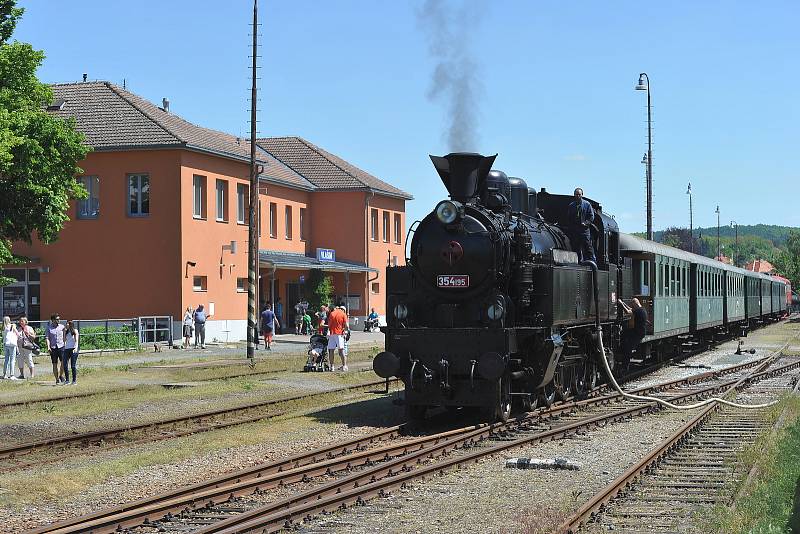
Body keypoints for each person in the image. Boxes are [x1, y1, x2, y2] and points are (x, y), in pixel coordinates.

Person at [567, 187, 596, 263]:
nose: (578, 196)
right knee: (576, 247)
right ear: (574, 195)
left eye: (579, 194)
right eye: (576, 194)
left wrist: (586, 223)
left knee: (588, 246)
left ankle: (592, 262)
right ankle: (579, 262)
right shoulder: (571, 205)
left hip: (584, 230)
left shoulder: (587, 204)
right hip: (575, 230)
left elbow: (591, 216)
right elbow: (569, 217)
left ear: (582, 195)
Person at [619, 298, 648, 368]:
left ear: (635, 303)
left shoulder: (638, 311)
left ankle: (625, 366)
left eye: (633, 305)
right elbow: (631, 309)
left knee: (628, 348)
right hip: (638, 331)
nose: (632, 306)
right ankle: (621, 346)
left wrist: (621, 304)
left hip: (638, 333)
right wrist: (623, 303)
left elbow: (628, 312)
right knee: (624, 332)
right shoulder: (642, 309)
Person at [45, 314, 66, 384]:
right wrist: (48, 346)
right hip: (53, 348)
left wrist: (65, 344)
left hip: (61, 346)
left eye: (59, 319)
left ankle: (61, 375)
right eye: (57, 319)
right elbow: (47, 338)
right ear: (53, 320)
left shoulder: (62, 327)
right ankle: (56, 379)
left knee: (63, 362)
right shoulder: (49, 328)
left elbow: (65, 336)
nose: (59, 320)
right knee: (54, 363)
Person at [327, 305, 349, 371]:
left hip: (332, 334)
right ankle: (344, 366)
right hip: (339, 334)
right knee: (341, 350)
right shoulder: (343, 314)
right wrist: (345, 331)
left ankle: (332, 366)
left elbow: (329, 325)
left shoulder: (332, 314)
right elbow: (347, 325)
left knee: (331, 350)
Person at [62, 320, 79, 384]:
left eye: (68, 324)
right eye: (66, 324)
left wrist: (76, 348)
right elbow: (64, 340)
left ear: (71, 325)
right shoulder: (66, 331)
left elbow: (76, 340)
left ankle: (74, 381)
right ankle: (67, 380)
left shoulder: (75, 331)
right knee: (65, 365)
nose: (66, 325)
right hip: (67, 349)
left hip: (73, 349)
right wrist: (64, 332)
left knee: (73, 366)